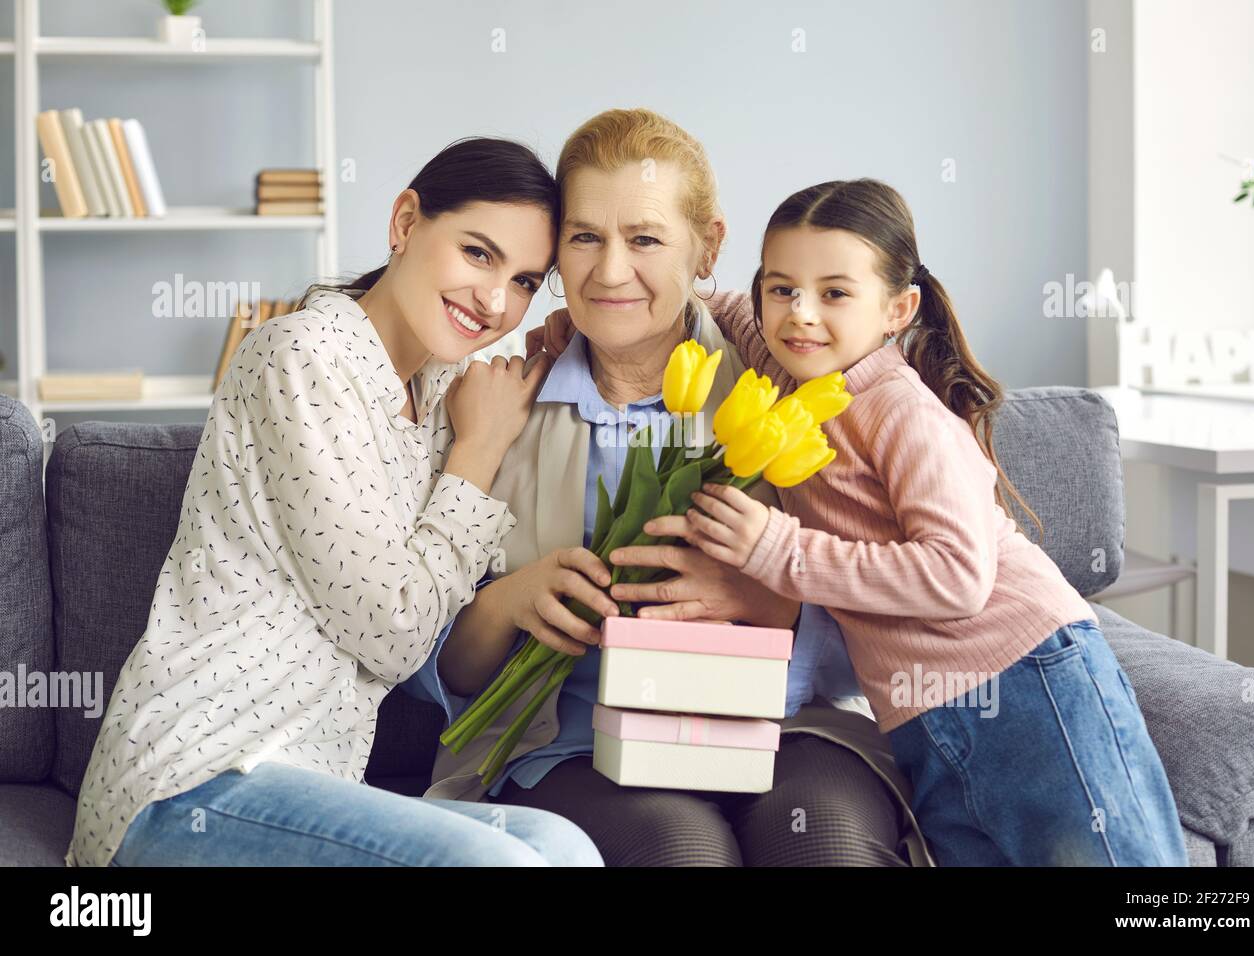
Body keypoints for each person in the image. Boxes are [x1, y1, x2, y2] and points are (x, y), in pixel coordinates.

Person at [407, 110, 932, 867]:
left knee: (829, 843)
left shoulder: (790, 393)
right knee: (682, 850)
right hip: (569, 750)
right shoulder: (492, 407)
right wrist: (506, 602)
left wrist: (781, 607)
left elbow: (898, 634)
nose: (610, 272)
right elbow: (425, 668)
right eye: (585, 237)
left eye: (646, 239)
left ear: (709, 247)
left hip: (784, 732)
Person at [67, 138, 602, 867]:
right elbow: (392, 632)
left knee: (563, 849)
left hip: (309, 783)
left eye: (524, 282)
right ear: (406, 223)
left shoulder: (447, 398)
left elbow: (431, 644)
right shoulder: (300, 356)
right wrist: (478, 453)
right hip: (192, 779)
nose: (495, 301)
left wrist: (576, 343)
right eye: (478, 254)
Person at [665, 177, 1188, 866]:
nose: (800, 314)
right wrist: (634, 298)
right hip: (920, 715)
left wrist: (777, 548)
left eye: (835, 292)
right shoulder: (799, 381)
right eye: (781, 287)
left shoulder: (901, 411)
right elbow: (719, 307)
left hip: (1027, 677)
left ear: (898, 308)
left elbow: (958, 577)